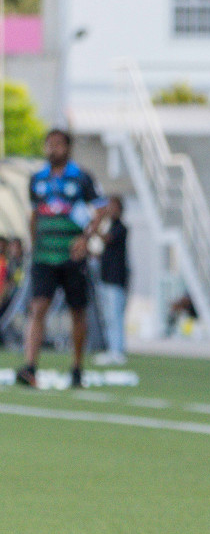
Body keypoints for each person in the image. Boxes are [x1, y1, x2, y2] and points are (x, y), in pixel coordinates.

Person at [18, 128, 107, 388]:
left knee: (77, 311)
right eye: (49, 144)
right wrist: (33, 244)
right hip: (44, 255)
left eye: (58, 144)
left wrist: (85, 239)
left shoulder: (81, 177)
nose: (52, 149)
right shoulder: (37, 179)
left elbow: (101, 209)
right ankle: (30, 366)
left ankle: (77, 368)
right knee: (38, 308)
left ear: (68, 148)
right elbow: (34, 214)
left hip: (72, 256)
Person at [93, 196, 130, 366]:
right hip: (106, 277)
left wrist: (95, 226)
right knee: (108, 316)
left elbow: (108, 239)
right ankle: (112, 349)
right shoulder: (111, 227)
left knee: (115, 315)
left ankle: (118, 351)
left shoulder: (121, 228)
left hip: (116, 278)